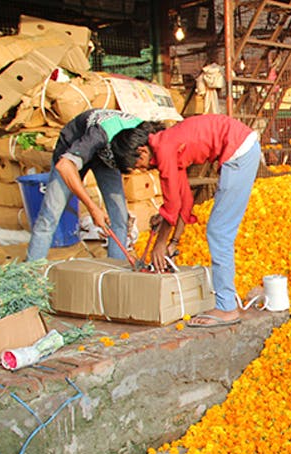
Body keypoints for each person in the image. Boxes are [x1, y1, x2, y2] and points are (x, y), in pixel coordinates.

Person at [111, 114, 262, 327]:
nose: (142, 170)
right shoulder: (168, 144)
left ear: (142, 151)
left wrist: (160, 244)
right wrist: (173, 242)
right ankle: (226, 303)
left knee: (219, 232)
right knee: (219, 231)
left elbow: (172, 207)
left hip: (238, 152)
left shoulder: (164, 150)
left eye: (139, 165)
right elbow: (183, 201)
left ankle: (227, 308)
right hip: (241, 148)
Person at [27, 108, 154, 262]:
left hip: (108, 154)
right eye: (138, 166)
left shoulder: (144, 134)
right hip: (73, 149)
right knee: (50, 215)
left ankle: (116, 272)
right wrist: (93, 209)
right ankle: (31, 273)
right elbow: (64, 166)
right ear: (140, 152)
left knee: (120, 218)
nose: (140, 170)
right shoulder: (97, 136)